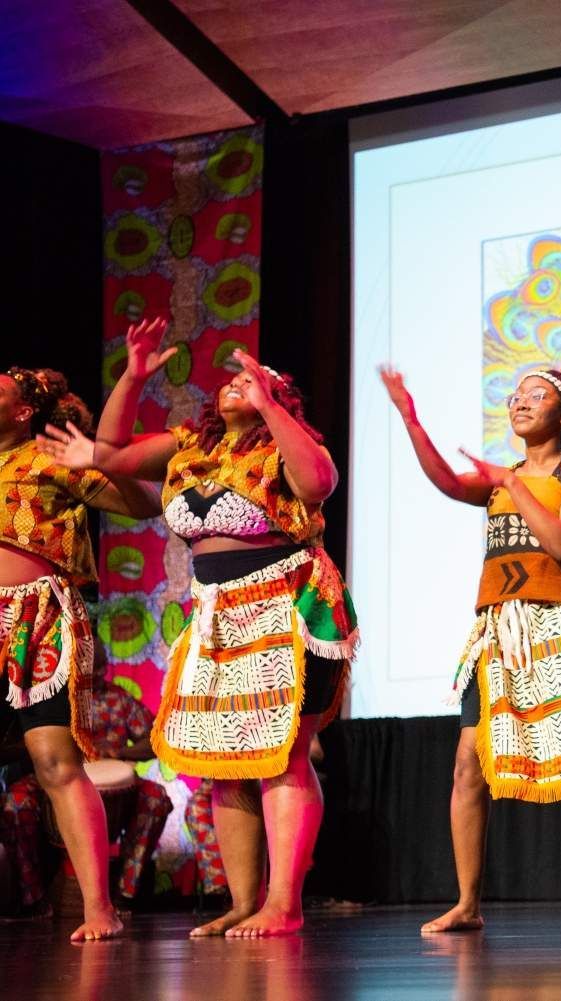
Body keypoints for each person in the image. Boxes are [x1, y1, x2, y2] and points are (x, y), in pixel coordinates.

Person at [43, 318, 359, 938]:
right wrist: (133, 377)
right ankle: (242, 901)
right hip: (217, 613)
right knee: (224, 760)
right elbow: (110, 453)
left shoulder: (283, 445)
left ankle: (284, 904)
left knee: (284, 756)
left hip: (290, 607)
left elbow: (319, 482)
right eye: (234, 382)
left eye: (256, 382)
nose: (239, 385)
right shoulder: (191, 446)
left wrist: (271, 409)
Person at [380, 365, 561, 933]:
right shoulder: (509, 477)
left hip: (557, 619)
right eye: (517, 394)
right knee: (467, 762)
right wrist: (411, 419)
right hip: (499, 627)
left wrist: (512, 485)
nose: (520, 401)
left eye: (536, 395)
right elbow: (450, 483)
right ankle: (467, 904)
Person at [0, 366, 161, 940]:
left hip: (36, 620)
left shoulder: (49, 458)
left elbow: (144, 506)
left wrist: (100, 459)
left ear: (23, 413)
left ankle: (99, 908)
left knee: (54, 763)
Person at [2, 674, 174, 914]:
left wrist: (120, 752)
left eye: (99, 665)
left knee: (155, 799)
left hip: (111, 775)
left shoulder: (119, 699)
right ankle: (34, 897)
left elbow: (155, 741)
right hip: (51, 777)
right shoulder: (46, 688)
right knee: (16, 803)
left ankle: (125, 892)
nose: (94, 671)